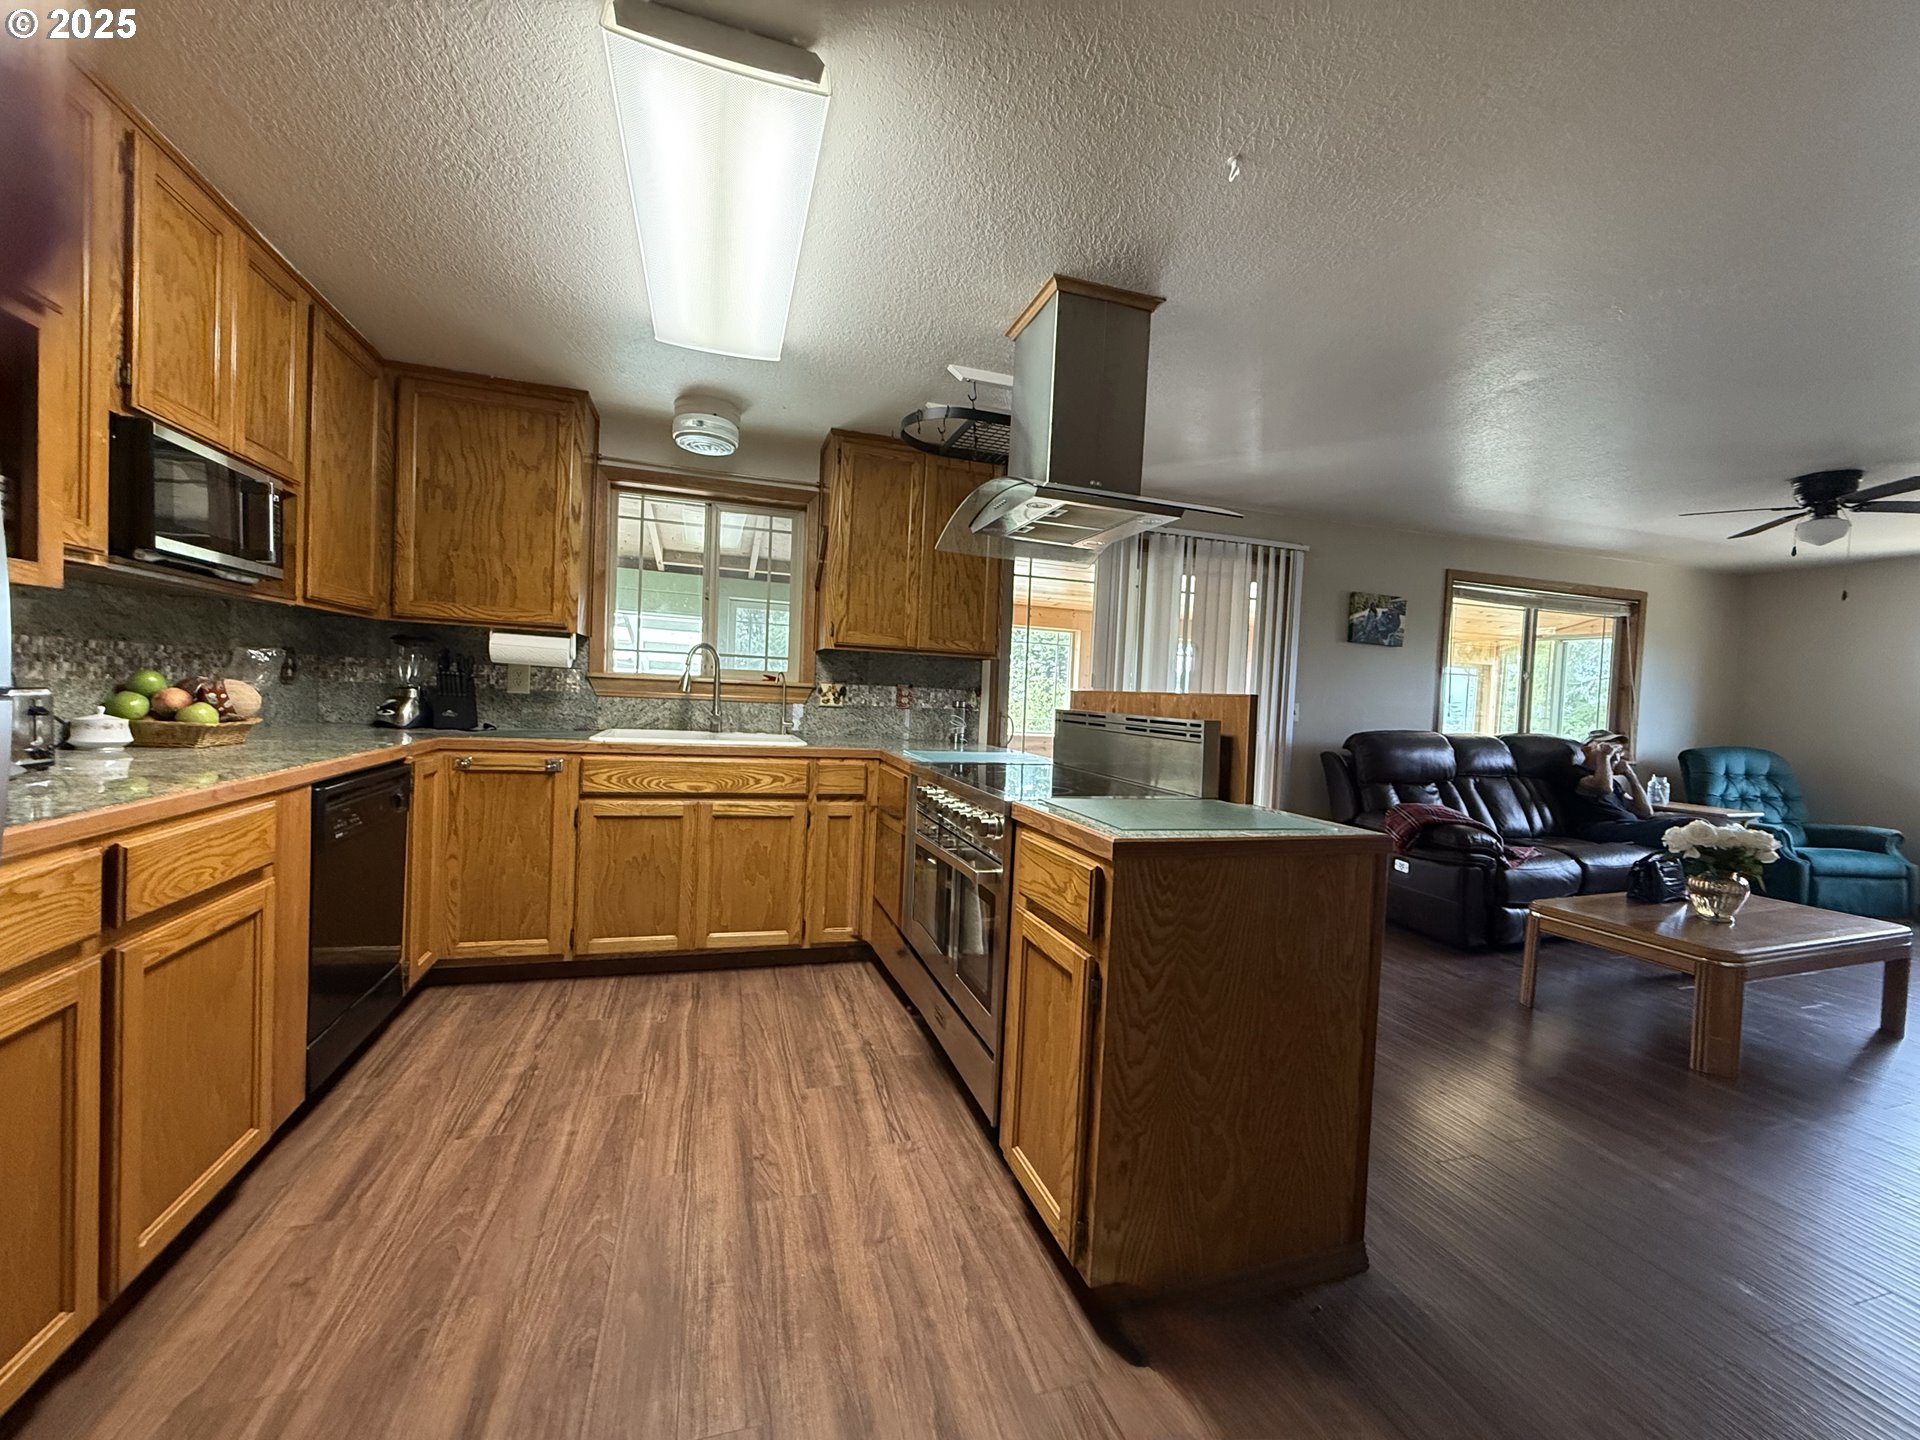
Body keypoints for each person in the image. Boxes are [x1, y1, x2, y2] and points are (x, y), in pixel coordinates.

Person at [1562, 731, 1684, 848]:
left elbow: (1645, 812)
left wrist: (1631, 776)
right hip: (1598, 828)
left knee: (1693, 824)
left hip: (1627, 826)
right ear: (1586, 750)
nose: (1615, 753)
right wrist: (1604, 756)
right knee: (1683, 828)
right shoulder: (1573, 773)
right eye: (1608, 747)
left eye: (1618, 750)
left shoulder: (1613, 783)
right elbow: (1603, 788)